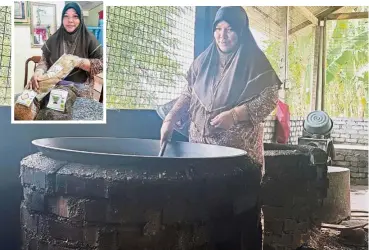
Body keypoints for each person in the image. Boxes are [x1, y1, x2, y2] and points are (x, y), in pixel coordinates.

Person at [159, 6, 281, 249]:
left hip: (238, 157)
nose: (222, 36)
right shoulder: (204, 61)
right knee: (204, 214)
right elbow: (188, 93)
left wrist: (235, 115)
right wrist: (171, 117)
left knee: (238, 215)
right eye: (218, 29)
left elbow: (270, 99)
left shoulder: (255, 63)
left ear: (241, 32)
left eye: (230, 30)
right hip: (202, 153)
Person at [26, 2, 103, 99]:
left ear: (81, 19)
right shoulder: (54, 39)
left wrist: (79, 62)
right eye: (66, 16)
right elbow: (44, 61)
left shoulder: (89, 39)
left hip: (80, 92)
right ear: (62, 19)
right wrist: (38, 72)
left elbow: (102, 64)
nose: (70, 20)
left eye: (75, 16)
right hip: (54, 88)